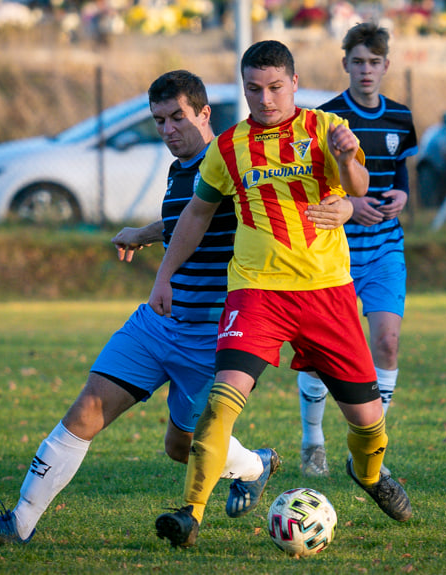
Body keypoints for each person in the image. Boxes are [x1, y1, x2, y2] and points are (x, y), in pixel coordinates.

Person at [0, 70, 353, 545]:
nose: (168, 130)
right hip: (157, 323)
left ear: (204, 114)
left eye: (177, 118)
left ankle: (254, 465)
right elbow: (186, 218)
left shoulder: (233, 160)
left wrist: (346, 205)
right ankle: (18, 523)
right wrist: (146, 234)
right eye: (159, 120)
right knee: (87, 409)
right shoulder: (179, 169)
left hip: (212, 336)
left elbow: (278, 204)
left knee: (180, 446)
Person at [149, 40, 412, 549]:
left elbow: (357, 188)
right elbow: (196, 215)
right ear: (244, 87)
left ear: (293, 82)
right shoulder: (229, 147)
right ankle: (190, 513)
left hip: (326, 293)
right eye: (253, 89)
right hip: (256, 293)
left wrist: (348, 156)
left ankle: (371, 476)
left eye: (274, 87)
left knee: (367, 421)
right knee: (222, 402)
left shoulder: (324, 129)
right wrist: (163, 274)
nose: (265, 99)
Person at [297, 22, 419, 477]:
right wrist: (351, 204)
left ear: (386, 66)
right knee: (318, 351)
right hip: (335, 253)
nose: (366, 70)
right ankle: (313, 439)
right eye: (358, 62)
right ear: (345, 64)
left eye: (374, 62)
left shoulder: (401, 117)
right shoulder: (327, 118)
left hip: (386, 248)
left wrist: (402, 196)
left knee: (386, 343)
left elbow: (400, 171)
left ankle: (369, 449)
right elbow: (313, 186)